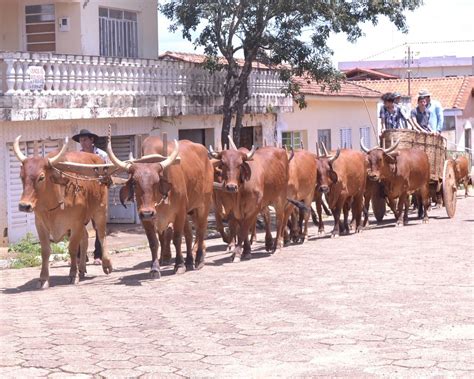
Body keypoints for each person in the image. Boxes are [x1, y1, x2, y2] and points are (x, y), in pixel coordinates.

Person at [72, 129, 108, 265]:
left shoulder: (102, 155)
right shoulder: (78, 156)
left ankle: (98, 255)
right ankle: (81, 255)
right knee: (78, 225)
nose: (83, 142)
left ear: (92, 140)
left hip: (98, 193)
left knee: (99, 225)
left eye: (85, 139)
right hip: (82, 193)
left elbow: (107, 173)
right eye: (81, 140)